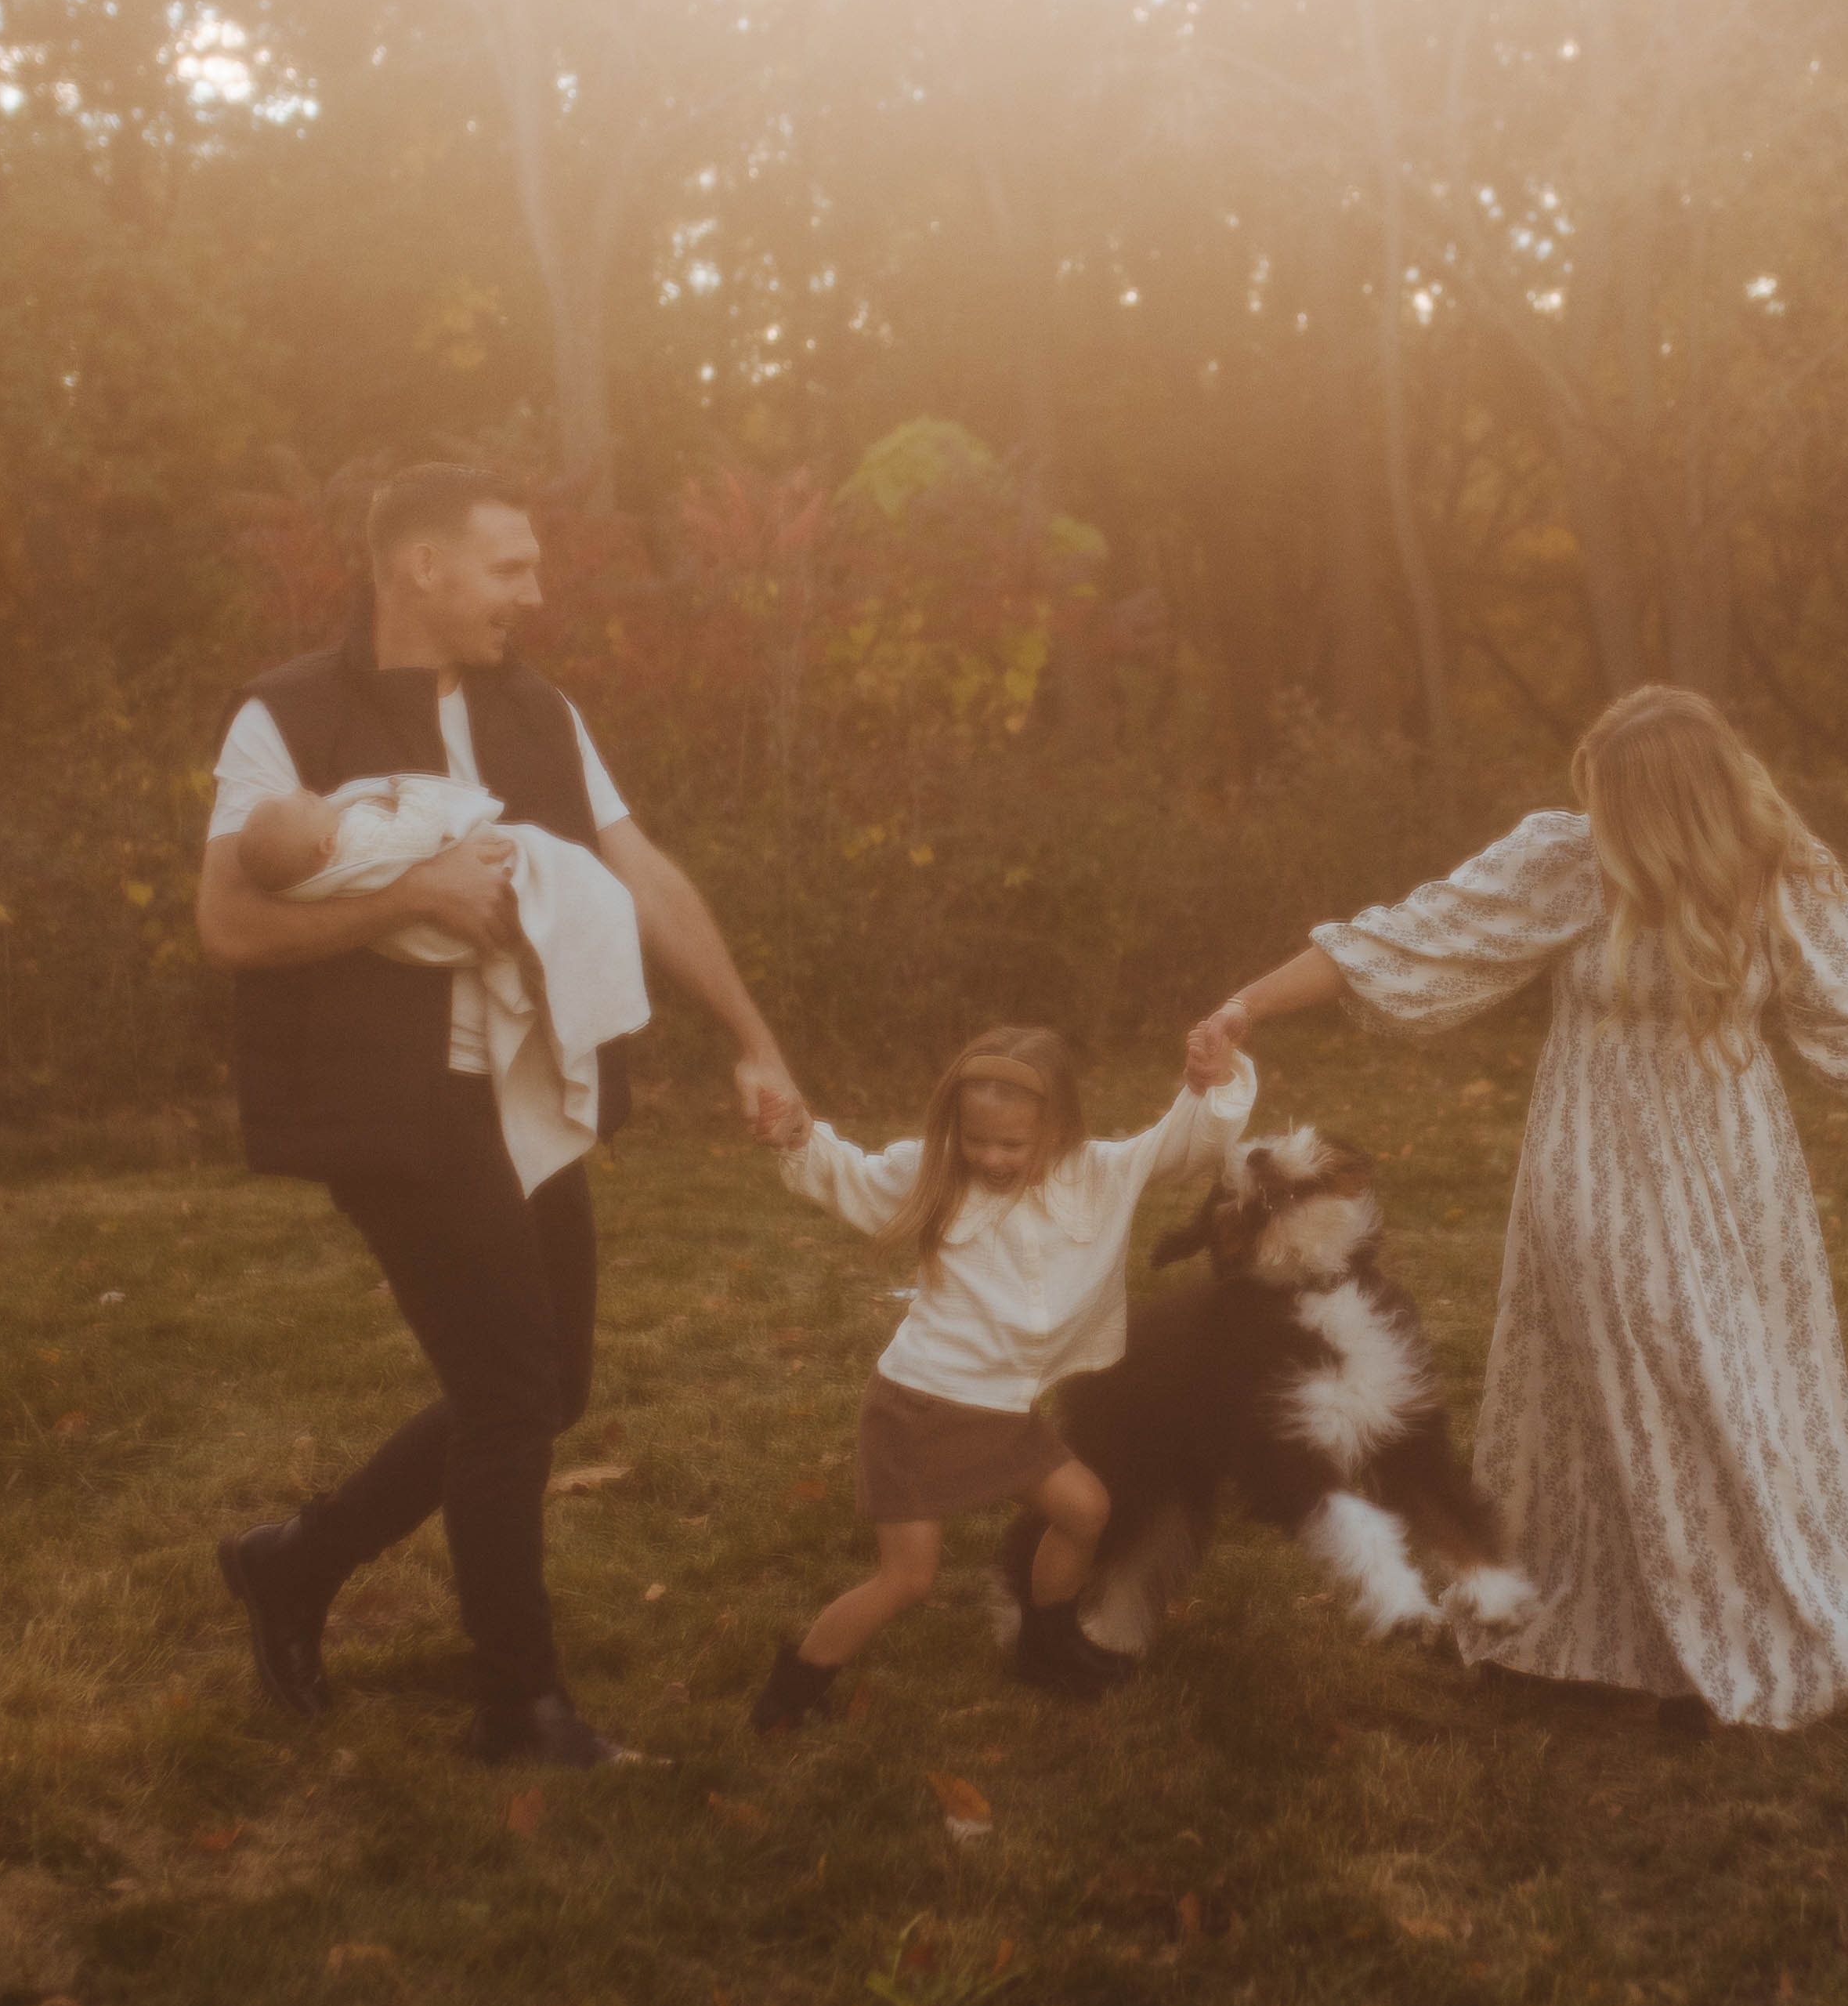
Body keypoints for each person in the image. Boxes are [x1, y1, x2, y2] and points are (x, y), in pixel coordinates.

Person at [1188, 684, 1848, 1735]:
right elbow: (1408, 939)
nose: (1596, 817)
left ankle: (1694, 1633)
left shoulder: (1776, 875)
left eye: (1615, 798)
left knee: (1733, 1389)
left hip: (1737, 1175)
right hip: (1594, 1167)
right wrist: (1248, 1004)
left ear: (1676, 799)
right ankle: (1606, 1626)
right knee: (1655, 1374)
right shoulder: (1566, 859)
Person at [198, 462, 801, 1769]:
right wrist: (406, 897)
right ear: (421, 566)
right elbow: (230, 919)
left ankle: (292, 1564)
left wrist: (753, 1040)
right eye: (510, 565)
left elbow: (640, 872)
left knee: (544, 1384)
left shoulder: (539, 709)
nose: (534, 591)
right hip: (387, 1095)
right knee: (512, 1383)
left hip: (525, 1085)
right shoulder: (288, 716)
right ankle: (520, 1704)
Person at [746, 1024, 1256, 1727]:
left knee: (1086, 1511)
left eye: (1011, 1145)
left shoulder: (1102, 1172)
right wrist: (800, 1133)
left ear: (1059, 1127)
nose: (989, 1157)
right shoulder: (934, 1174)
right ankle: (792, 1692)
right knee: (908, 1580)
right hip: (919, 1410)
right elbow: (850, 1176)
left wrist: (1211, 1084)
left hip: (1003, 1412)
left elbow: (1188, 1141)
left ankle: (1047, 1647)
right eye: (975, 1140)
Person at [237, 772, 649, 1197]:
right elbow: (416, 836)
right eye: (305, 805)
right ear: (326, 845)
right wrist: (414, 790)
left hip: (427, 941)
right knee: (560, 872)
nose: (307, 792)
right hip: (452, 916)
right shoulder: (358, 842)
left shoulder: (322, 874)